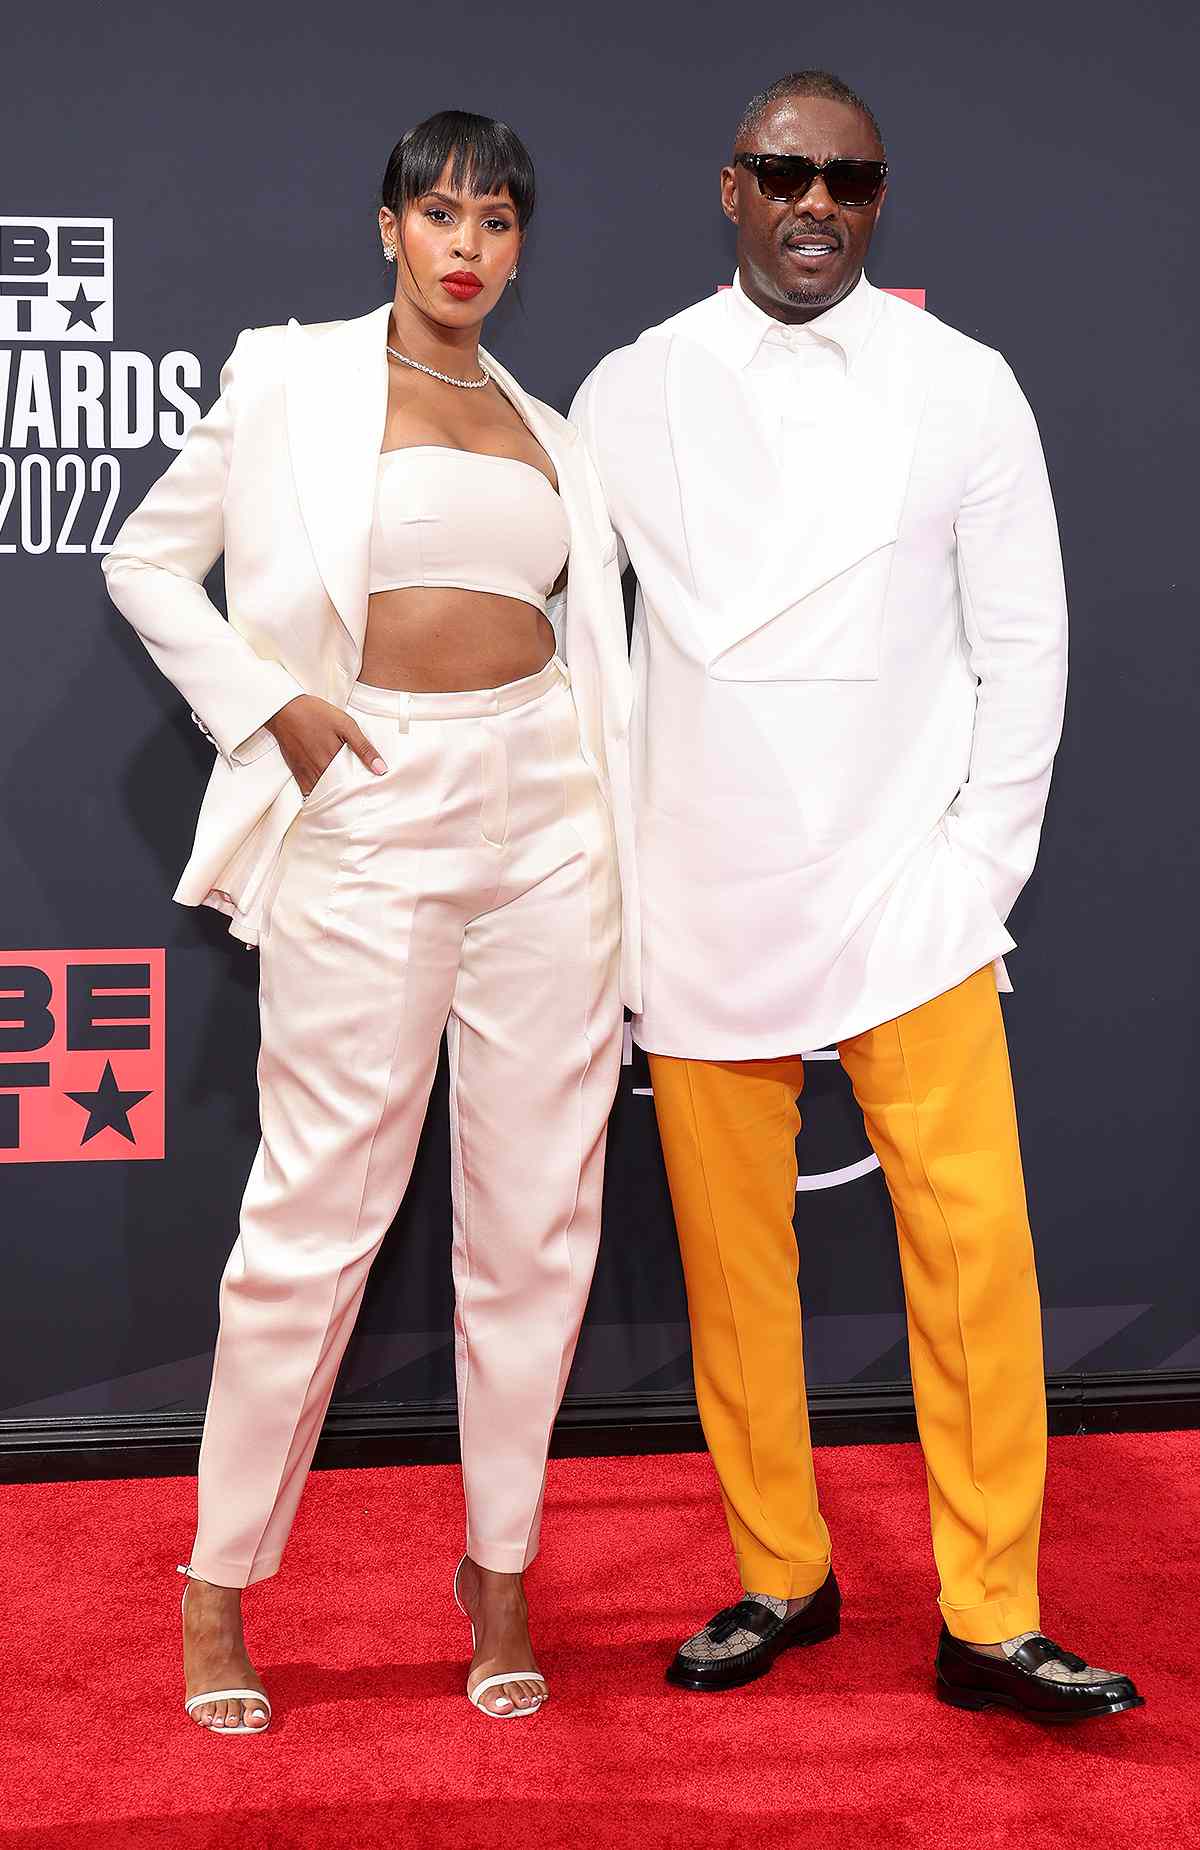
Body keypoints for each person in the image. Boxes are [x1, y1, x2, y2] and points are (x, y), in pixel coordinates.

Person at [572, 70, 1141, 1721]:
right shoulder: (630, 387)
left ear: (879, 201)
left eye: (852, 179)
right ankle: (780, 1574)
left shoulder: (966, 384)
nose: (818, 201)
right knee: (735, 1268)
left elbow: (1022, 642)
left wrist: (980, 862)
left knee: (977, 1257)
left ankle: (994, 1610)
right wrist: (613, 875)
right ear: (731, 187)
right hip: (696, 883)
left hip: (911, 887)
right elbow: (582, 652)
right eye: (785, 171)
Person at [103, 109, 639, 1731]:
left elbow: (599, 651)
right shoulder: (287, 381)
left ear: (522, 248)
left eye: (496, 218)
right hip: (367, 808)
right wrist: (272, 707)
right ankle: (218, 1583)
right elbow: (144, 563)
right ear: (387, 228)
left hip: (548, 819)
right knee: (313, 1216)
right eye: (438, 211)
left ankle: (497, 1568)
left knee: (537, 1222)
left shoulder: (560, 434)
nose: (466, 241)